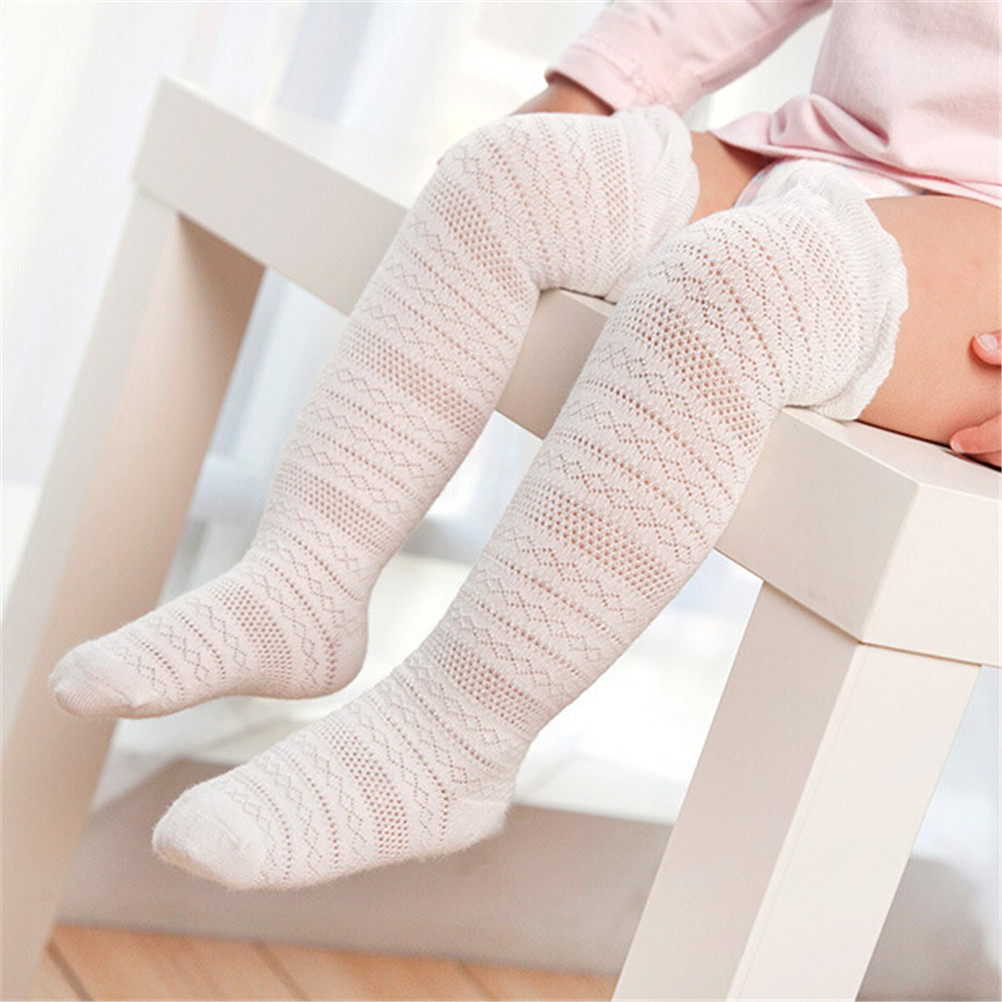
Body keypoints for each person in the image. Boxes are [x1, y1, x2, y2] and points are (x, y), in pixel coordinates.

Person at [49, 1, 999, 889]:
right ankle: (302, 583)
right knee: (507, 173)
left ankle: (447, 745)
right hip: (829, 146)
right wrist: (603, 82)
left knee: (733, 292)